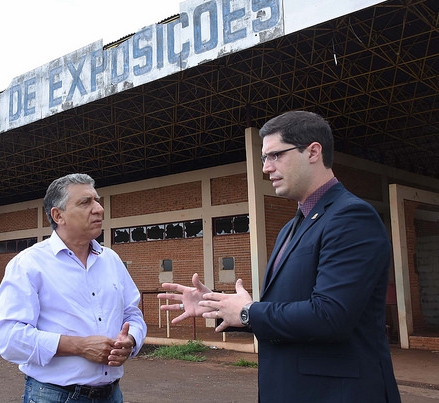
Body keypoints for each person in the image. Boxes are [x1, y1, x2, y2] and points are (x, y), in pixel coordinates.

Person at [159, 111, 401, 402]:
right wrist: (221, 305)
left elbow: (330, 315)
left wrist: (249, 312)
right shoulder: (291, 226)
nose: (266, 168)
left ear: (313, 152)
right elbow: (288, 310)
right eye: (264, 158)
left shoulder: (351, 216)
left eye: (275, 156)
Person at [0, 173, 147, 403]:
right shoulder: (28, 264)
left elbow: (132, 314)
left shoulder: (112, 260)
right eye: (85, 202)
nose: (98, 209)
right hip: (54, 396)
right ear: (58, 215)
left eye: (97, 200)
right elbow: (9, 339)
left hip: (112, 395)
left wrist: (131, 340)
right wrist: (79, 346)